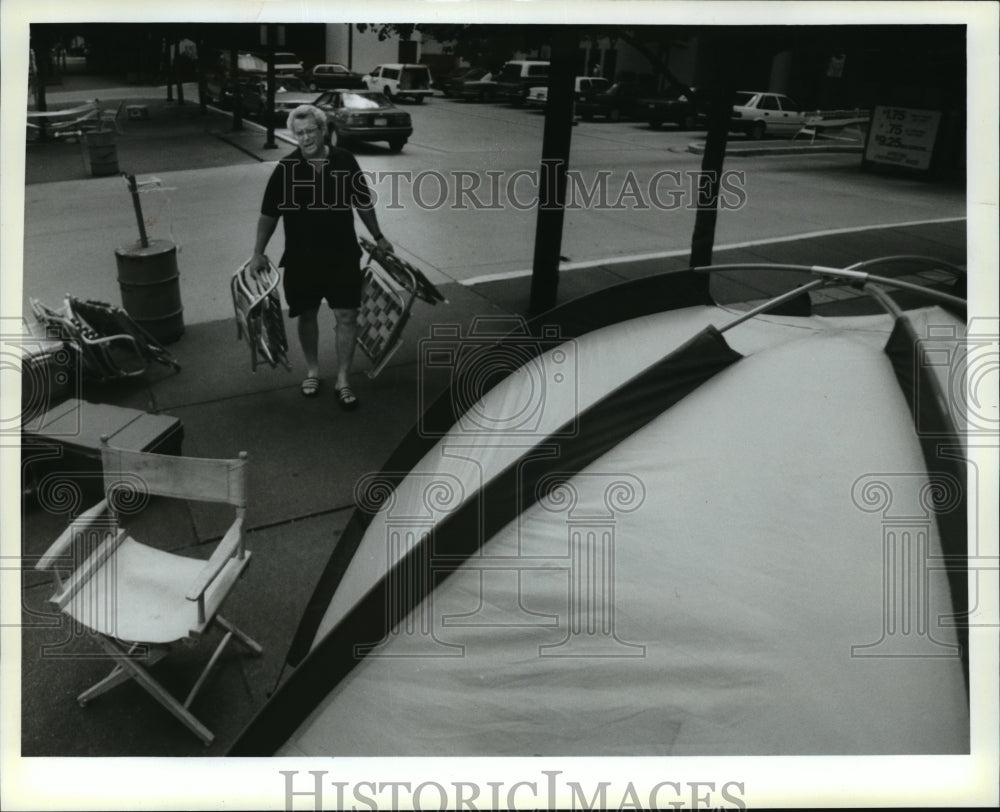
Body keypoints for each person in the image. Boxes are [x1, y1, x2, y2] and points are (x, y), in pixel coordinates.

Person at [249, 104, 392, 410]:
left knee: (347, 316)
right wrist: (257, 253)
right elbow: (268, 215)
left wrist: (379, 237)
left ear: (322, 130)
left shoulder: (345, 160)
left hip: (342, 255)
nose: (304, 138)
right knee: (307, 314)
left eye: (310, 131)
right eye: (298, 133)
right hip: (302, 258)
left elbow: (363, 202)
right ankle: (313, 370)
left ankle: (343, 378)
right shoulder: (286, 169)